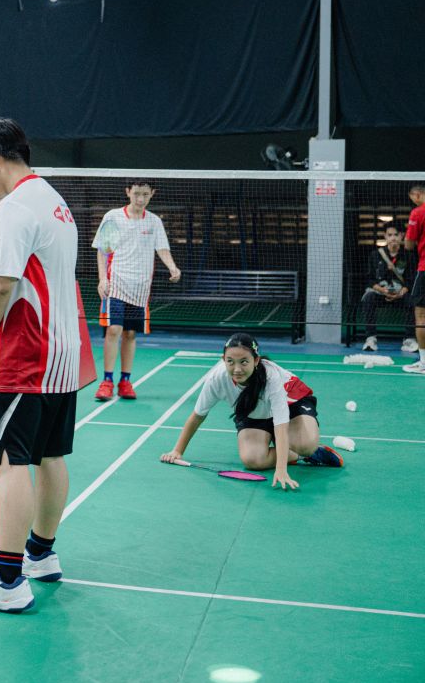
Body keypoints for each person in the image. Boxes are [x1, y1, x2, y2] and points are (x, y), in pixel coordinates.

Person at [0, 118, 80, 614]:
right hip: (63, 355)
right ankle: (40, 556)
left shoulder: (14, 208)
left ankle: (6, 581)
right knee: (50, 456)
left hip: (26, 354)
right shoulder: (55, 201)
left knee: (10, 464)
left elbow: (1, 285)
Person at [160, 333, 344, 491]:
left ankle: (311, 452)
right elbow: (198, 416)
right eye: (230, 362)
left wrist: (281, 469)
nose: (237, 369)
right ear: (223, 359)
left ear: (256, 360)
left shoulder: (272, 378)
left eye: (244, 362)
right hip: (254, 412)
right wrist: (177, 451)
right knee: (253, 460)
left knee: (306, 444)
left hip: (291, 404)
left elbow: (280, 424)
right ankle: (297, 456)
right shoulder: (216, 379)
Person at [92, 179, 181, 401]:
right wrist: (102, 279)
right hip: (116, 283)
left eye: (145, 194)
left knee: (130, 334)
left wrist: (172, 266)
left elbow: (162, 248)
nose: (140, 199)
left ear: (152, 194)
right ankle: (107, 381)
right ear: (128, 192)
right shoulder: (112, 217)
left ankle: (125, 381)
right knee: (114, 330)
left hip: (140, 288)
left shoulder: (153, 222)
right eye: (137, 193)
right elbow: (103, 250)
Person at [359, 224, 416, 352]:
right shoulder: (376, 254)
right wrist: (383, 290)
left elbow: (411, 280)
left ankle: (409, 339)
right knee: (368, 298)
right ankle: (370, 338)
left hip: (400, 294)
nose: (393, 238)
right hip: (381, 293)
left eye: (396, 235)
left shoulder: (409, 255)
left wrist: (401, 292)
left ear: (401, 236)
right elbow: (369, 279)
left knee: (413, 301)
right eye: (389, 235)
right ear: (385, 236)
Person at [404, 184, 425, 374]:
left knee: (421, 316)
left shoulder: (418, 212)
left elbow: (409, 245)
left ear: (417, 195)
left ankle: (424, 363)